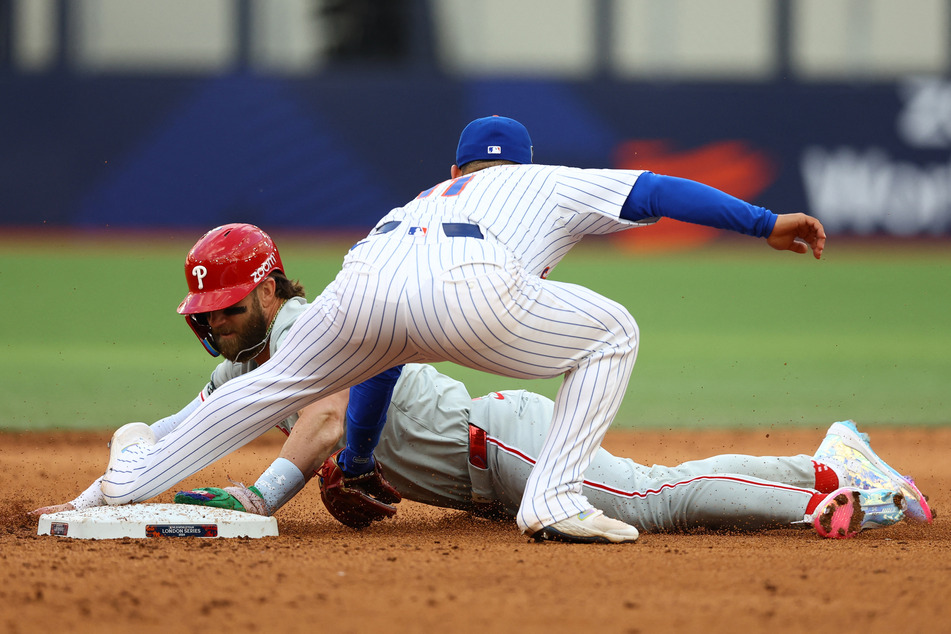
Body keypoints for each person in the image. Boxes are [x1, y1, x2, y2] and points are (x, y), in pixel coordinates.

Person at [95, 115, 833, 544]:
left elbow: (367, 367)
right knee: (612, 332)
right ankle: (558, 498)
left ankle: (121, 486)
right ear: (520, 165)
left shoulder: (420, 203)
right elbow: (655, 189)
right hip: (475, 324)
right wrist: (763, 223)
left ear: (456, 168)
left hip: (412, 341)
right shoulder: (541, 182)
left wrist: (351, 456)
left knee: (654, 495)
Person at [31, 224, 933, 540]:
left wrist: (261, 496)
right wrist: (104, 490)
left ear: (269, 286)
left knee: (655, 501)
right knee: (656, 490)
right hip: (481, 469)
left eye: (230, 307)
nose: (219, 324)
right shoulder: (248, 365)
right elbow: (181, 426)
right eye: (210, 315)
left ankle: (836, 483)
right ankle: (827, 459)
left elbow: (324, 420)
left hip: (494, 441)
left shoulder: (312, 326)